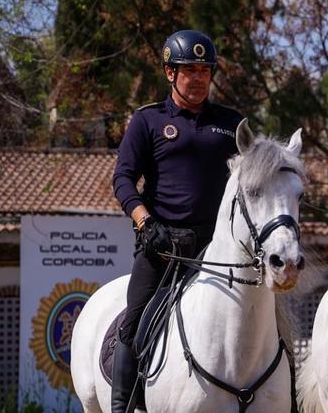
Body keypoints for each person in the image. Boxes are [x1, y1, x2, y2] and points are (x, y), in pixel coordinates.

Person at [110, 29, 243, 413]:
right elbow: (123, 179)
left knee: (262, 317)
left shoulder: (231, 124)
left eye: (206, 70)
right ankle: (122, 407)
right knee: (133, 323)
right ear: (170, 73)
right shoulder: (148, 121)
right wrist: (145, 222)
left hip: (216, 249)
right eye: (190, 70)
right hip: (162, 245)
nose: (199, 78)